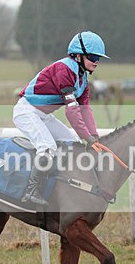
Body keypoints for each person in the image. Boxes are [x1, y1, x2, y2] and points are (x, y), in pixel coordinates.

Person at [13, 31, 110, 205]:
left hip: (43, 115)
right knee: (47, 147)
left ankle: (58, 183)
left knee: (72, 142)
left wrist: (94, 137)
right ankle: (31, 190)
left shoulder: (82, 79)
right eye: (93, 57)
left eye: (99, 58)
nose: (96, 62)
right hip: (26, 111)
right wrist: (87, 137)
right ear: (78, 56)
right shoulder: (64, 70)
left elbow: (85, 110)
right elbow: (71, 111)